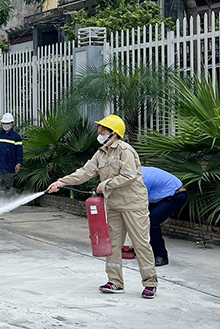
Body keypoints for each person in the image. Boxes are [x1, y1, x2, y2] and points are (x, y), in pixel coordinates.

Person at [47, 114, 158, 299]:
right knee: (113, 244)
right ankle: (115, 282)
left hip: (133, 205)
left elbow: (129, 175)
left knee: (141, 244)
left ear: (114, 133)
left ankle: (150, 283)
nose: (99, 133)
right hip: (114, 204)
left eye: (102, 130)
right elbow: (85, 172)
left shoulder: (125, 150)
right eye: (99, 130)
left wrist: (104, 185)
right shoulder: (101, 153)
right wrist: (61, 182)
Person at [142, 166, 187, 266]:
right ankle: (144, 250)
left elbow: (141, 200)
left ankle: (161, 256)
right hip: (161, 196)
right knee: (141, 219)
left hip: (175, 195)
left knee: (152, 221)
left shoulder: (142, 178)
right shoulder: (133, 173)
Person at [0, 113, 23, 203]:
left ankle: (7, 203)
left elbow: (19, 152)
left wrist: (18, 163)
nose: (6, 125)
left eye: (8, 123)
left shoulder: (16, 137)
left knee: (9, 185)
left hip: (9, 165)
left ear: (12, 123)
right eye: (4, 123)